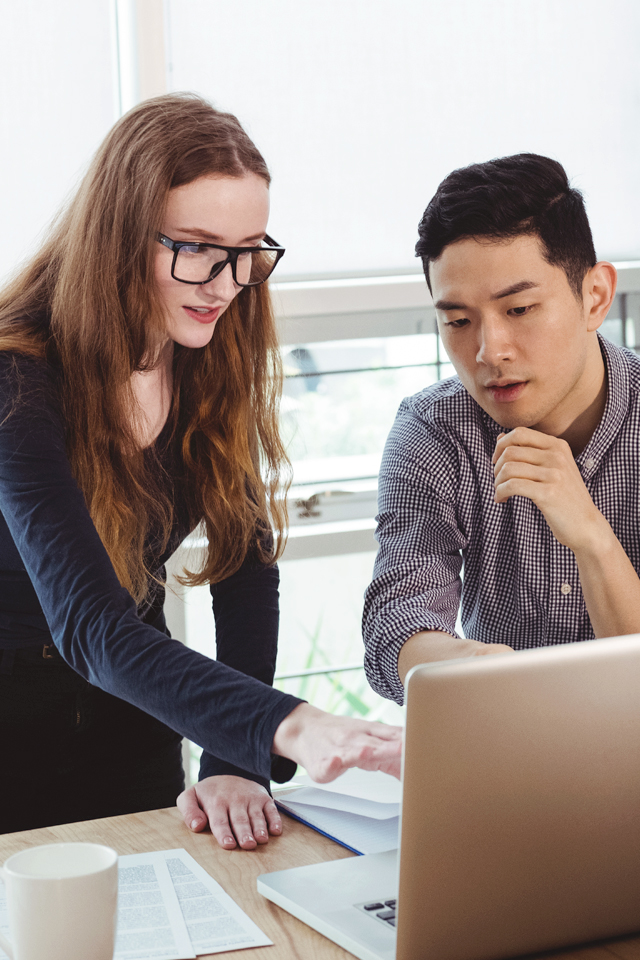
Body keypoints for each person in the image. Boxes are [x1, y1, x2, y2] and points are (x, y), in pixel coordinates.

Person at [0, 92, 401, 841]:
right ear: (117, 238)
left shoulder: (207, 352)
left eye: (248, 250)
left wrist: (232, 755)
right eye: (196, 247)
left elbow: (245, 571)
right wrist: (292, 726)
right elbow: (90, 627)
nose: (225, 283)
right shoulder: (17, 381)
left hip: (134, 709)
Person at [363, 153, 640, 704]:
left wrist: (591, 537)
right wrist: (473, 666)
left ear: (595, 297)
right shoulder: (435, 431)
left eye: (519, 309)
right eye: (458, 322)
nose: (489, 353)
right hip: (502, 749)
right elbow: (397, 623)